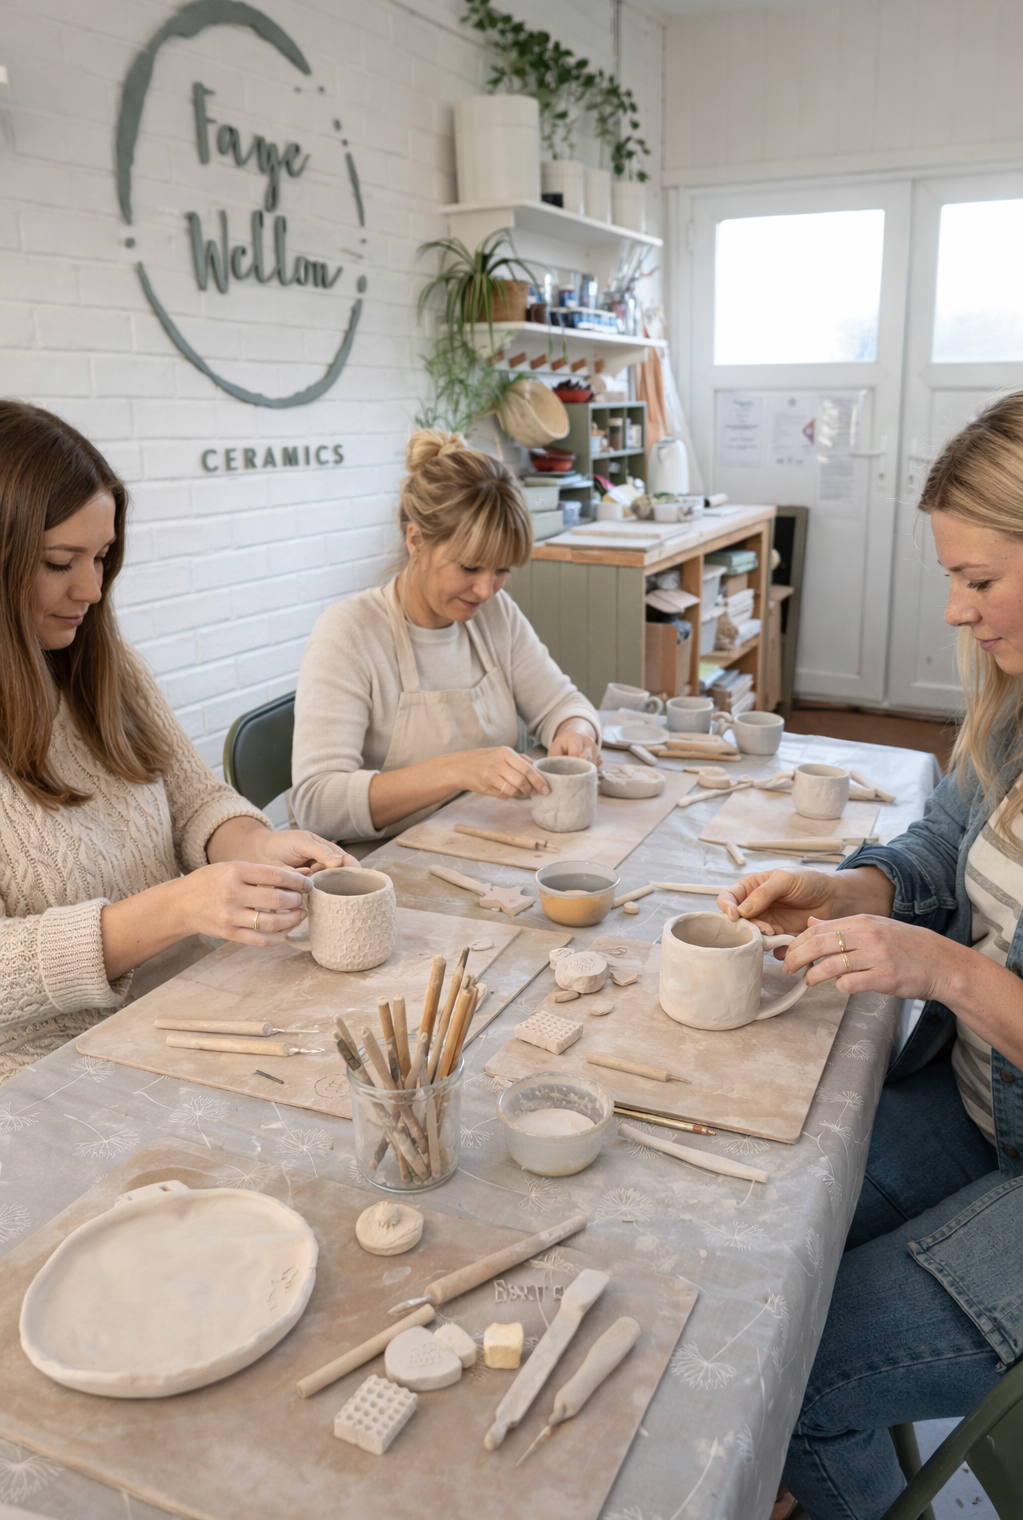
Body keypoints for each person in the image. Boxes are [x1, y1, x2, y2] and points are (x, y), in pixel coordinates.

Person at [718, 392, 1023, 1520]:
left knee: (778, 1382)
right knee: (745, 1235)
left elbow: (958, 969)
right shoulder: (1018, 704)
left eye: (979, 581)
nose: (955, 611)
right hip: (985, 1106)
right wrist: (849, 887)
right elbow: (944, 842)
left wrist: (941, 969)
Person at [0, 402, 356, 1084]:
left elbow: (194, 800)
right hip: (45, 1077)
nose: (92, 589)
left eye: (102, 557)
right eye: (58, 562)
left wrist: (254, 845)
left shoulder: (102, 663)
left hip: (182, 1009)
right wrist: (172, 907)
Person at [291, 430, 601, 844]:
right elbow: (317, 804)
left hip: (479, 845)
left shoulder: (494, 615)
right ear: (416, 540)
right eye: (470, 568)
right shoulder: (349, 633)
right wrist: (454, 770)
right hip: (382, 872)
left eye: (502, 570)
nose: (486, 591)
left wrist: (577, 733)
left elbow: (561, 704)